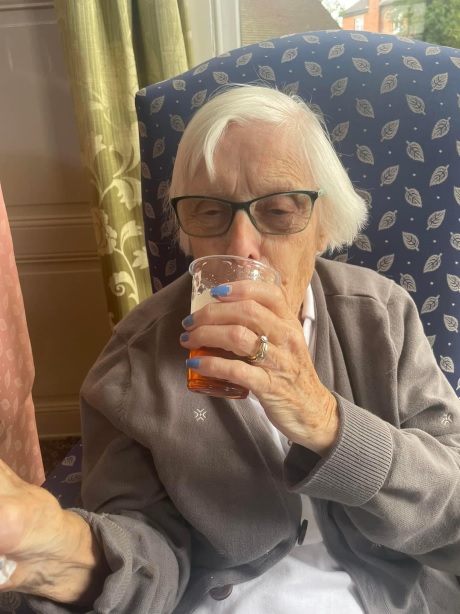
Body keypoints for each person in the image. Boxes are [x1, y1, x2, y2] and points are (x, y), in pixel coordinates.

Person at [0, 85, 459, 614]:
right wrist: (66, 554)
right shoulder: (132, 364)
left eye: (279, 210)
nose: (241, 246)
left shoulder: (382, 316)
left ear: (323, 225)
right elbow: (149, 554)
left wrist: (325, 419)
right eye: (208, 212)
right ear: (187, 232)